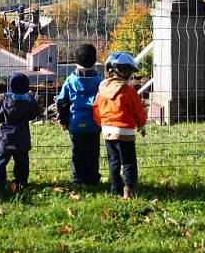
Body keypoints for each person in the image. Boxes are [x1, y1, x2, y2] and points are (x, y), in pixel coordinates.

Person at [92, 51, 147, 199]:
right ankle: (128, 189)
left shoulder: (101, 91)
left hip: (108, 131)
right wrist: (141, 125)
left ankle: (115, 187)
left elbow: (96, 110)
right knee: (128, 161)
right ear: (128, 73)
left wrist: (102, 123)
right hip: (126, 133)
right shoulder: (129, 92)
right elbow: (138, 111)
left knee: (113, 160)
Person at [55, 43, 103, 185]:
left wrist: (63, 120)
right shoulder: (99, 81)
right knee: (93, 153)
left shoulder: (70, 81)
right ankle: (93, 178)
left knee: (78, 152)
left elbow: (62, 102)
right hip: (94, 124)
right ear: (95, 61)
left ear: (75, 61)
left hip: (75, 124)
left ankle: (77, 179)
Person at [0, 72, 41, 192]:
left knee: (0, 162)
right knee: (22, 164)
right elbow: (36, 113)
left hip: (4, 140)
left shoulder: (4, 102)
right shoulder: (30, 102)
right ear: (27, 88)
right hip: (22, 140)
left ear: (10, 87)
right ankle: (22, 183)